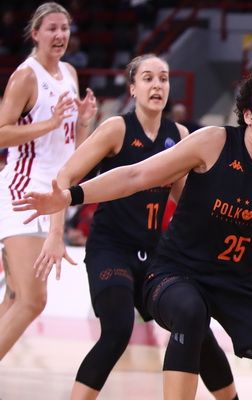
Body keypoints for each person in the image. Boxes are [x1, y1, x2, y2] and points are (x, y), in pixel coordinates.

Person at [14, 69, 252, 400]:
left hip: (240, 282)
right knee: (189, 311)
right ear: (248, 115)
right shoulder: (213, 143)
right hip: (177, 271)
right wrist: (72, 195)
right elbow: (136, 175)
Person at [32, 54, 237, 400]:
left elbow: (187, 198)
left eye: (163, 78)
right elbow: (64, 177)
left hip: (157, 255)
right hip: (111, 250)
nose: (157, 85)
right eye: (148, 78)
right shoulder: (117, 128)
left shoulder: (180, 135)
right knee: (117, 331)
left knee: (197, 326)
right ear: (132, 88)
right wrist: (55, 234)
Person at [0, 2, 97, 360]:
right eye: (52, 28)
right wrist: (50, 124)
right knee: (32, 301)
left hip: (53, 195)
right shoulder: (26, 77)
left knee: (15, 298)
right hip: (22, 192)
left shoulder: (69, 73)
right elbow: (2, 133)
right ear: (35, 33)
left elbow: (71, 152)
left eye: (64, 28)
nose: (59, 35)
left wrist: (83, 122)